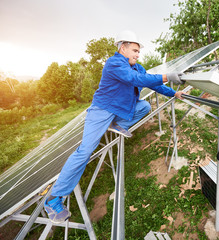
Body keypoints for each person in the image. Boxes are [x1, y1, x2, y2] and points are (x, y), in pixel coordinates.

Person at [44, 30, 185, 223]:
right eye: (135, 50)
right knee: (85, 151)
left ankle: (117, 124)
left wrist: (173, 94)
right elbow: (135, 80)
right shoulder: (114, 63)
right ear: (123, 47)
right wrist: (166, 76)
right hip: (102, 110)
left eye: (138, 51)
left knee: (143, 106)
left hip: (118, 111)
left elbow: (153, 84)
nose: (138, 54)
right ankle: (53, 198)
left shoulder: (136, 67)